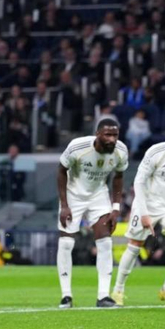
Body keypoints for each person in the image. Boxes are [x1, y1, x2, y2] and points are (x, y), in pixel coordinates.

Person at [112, 119, 165, 306]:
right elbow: (139, 182)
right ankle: (118, 290)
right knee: (135, 246)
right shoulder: (156, 152)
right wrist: (143, 213)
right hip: (147, 203)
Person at [57, 118, 128, 308]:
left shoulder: (121, 151)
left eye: (115, 135)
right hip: (73, 194)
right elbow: (61, 171)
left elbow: (119, 177)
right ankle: (66, 296)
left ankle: (103, 296)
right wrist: (64, 205)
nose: (112, 139)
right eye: (108, 135)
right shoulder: (78, 147)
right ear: (97, 134)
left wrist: (115, 208)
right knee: (66, 243)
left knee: (105, 242)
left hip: (98, 195)